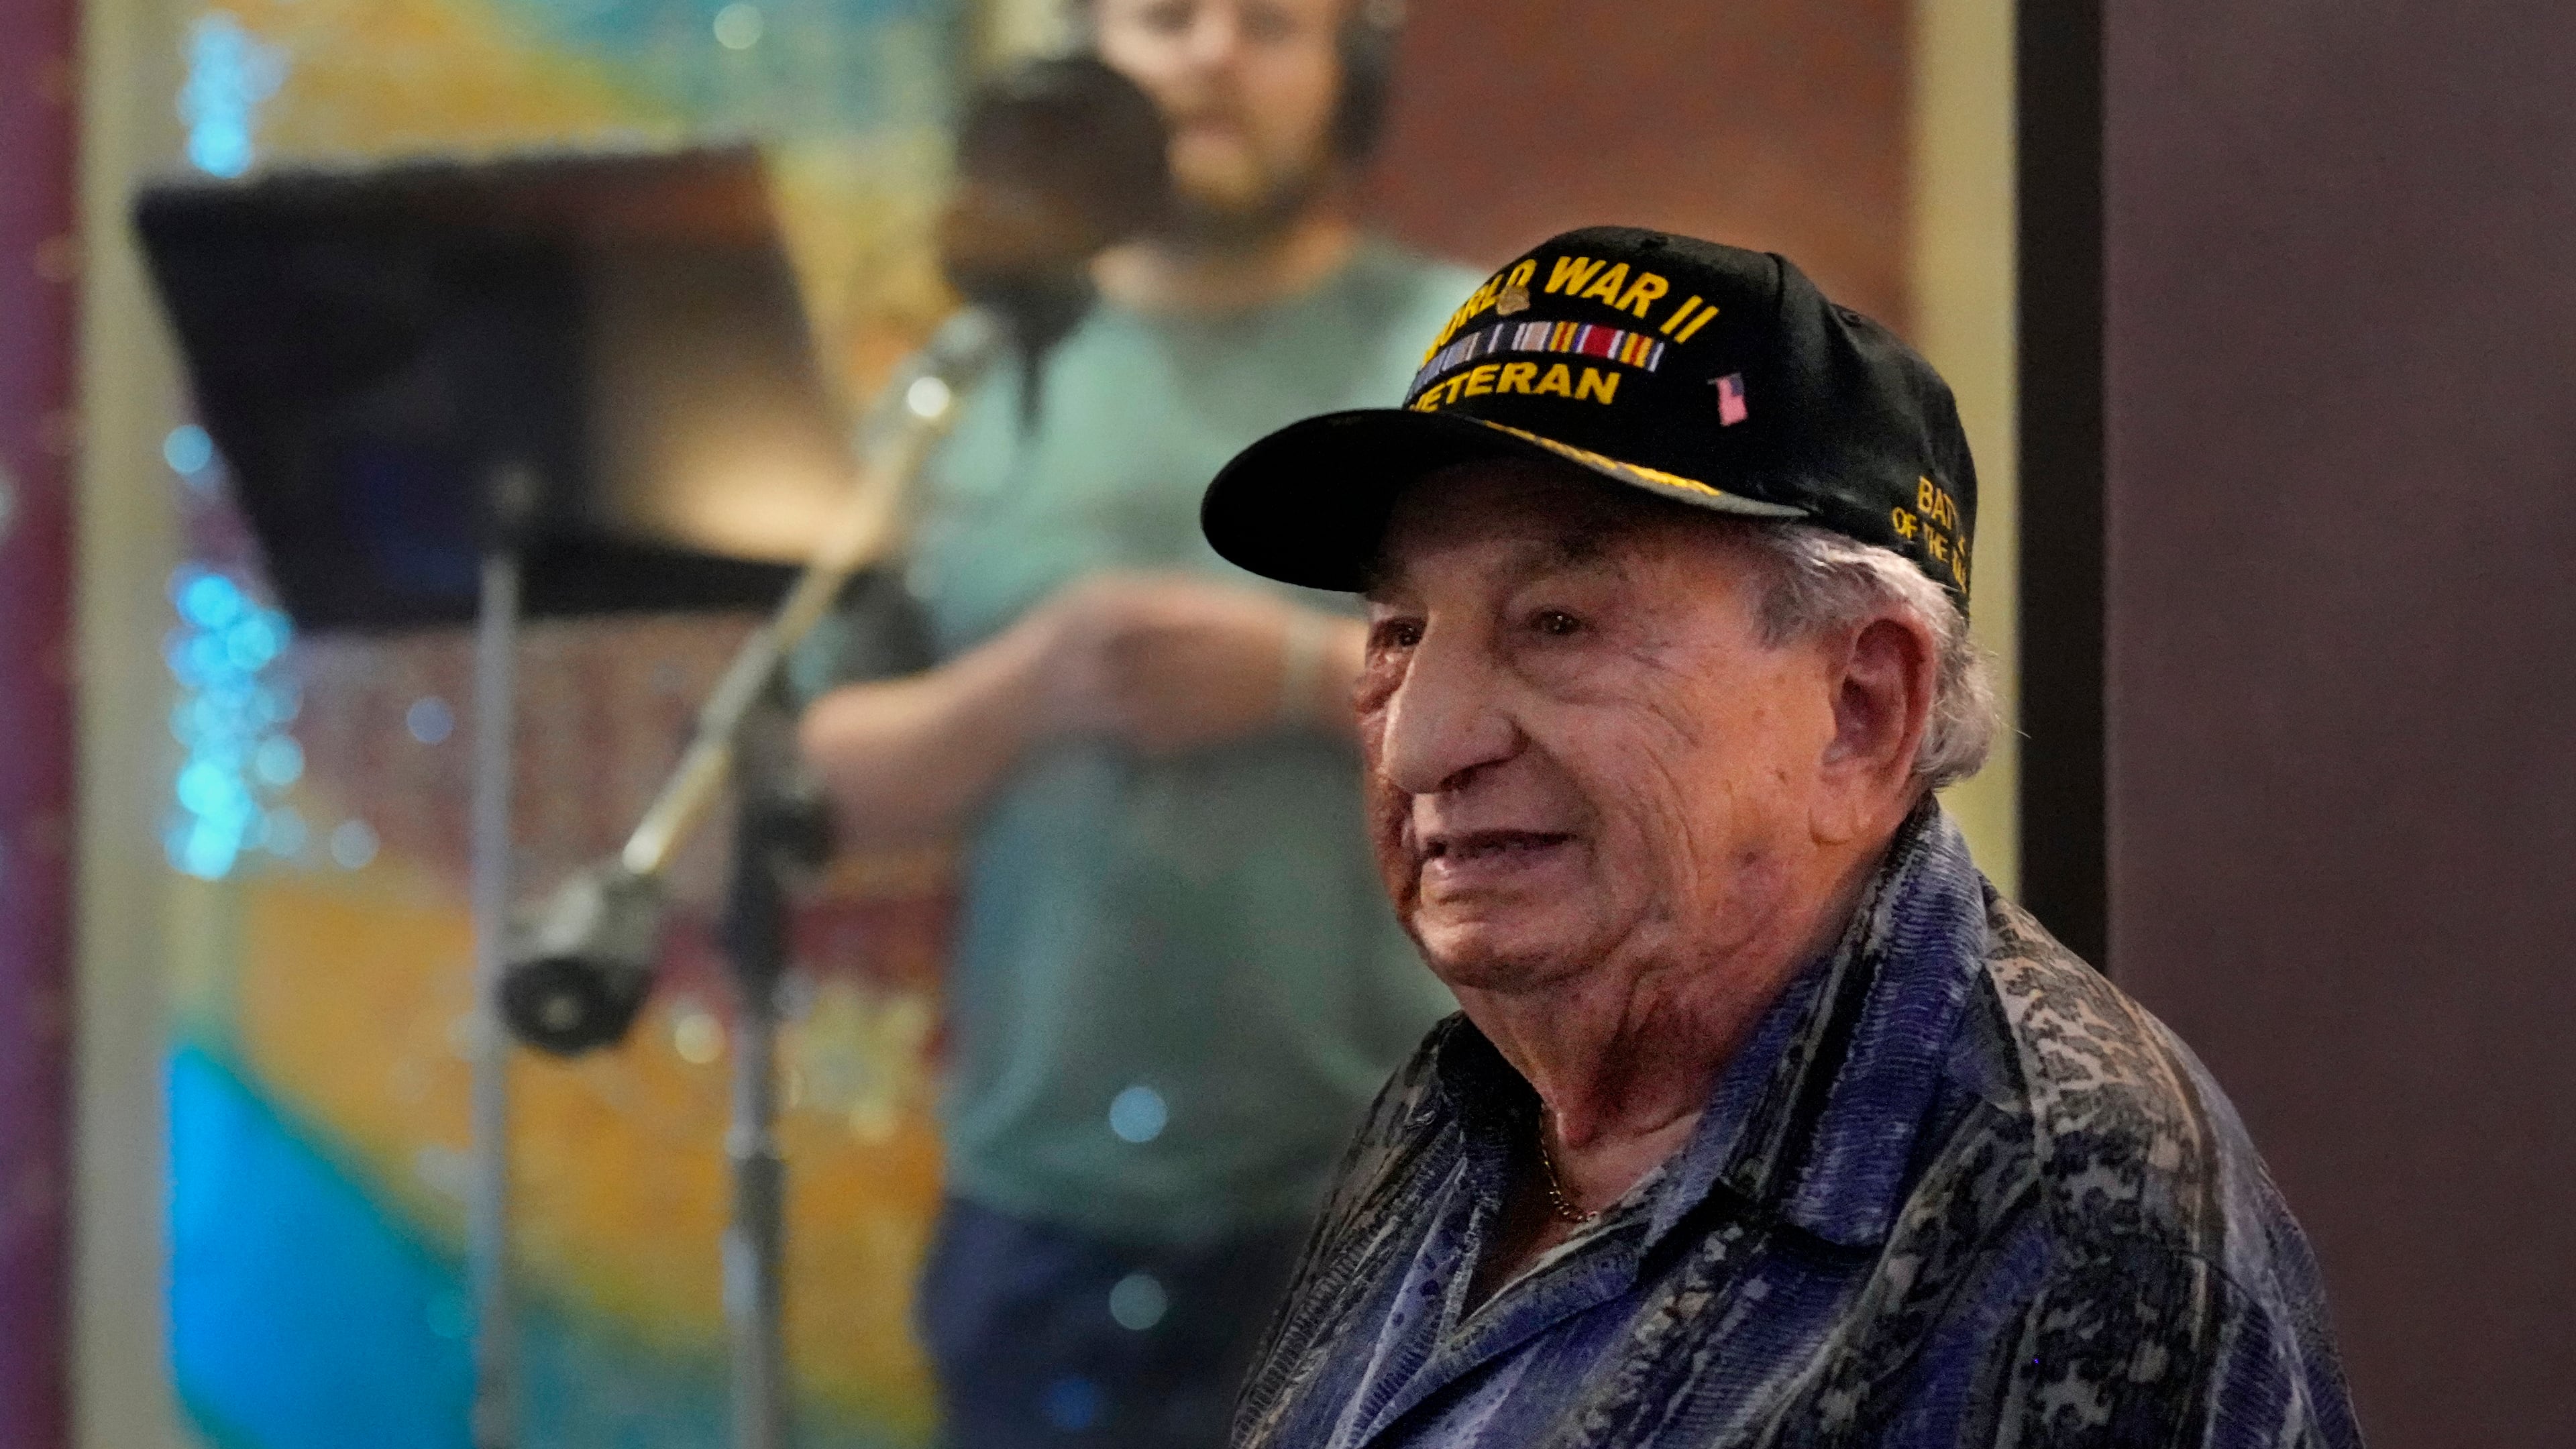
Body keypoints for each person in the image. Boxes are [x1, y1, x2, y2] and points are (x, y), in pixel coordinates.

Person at [1195, 227, 2364, 1448]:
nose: (1421, 744)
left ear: (1862, 713)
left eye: (1556, 623)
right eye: (1398, 631)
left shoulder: (2056, 1218)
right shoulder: (1472, 1104)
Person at [794, 2, 1470, 1445]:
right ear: (1092, 63)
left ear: (1348, 71)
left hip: (1413, 1198)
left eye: (1268, 23)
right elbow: (805, 784)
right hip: (1042, 1221)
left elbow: (1589, 693)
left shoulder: (1463, 359)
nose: (1212, 57)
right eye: (1166, 16)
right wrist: (1025, 689)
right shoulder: (960, 382)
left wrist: (1301, 676)